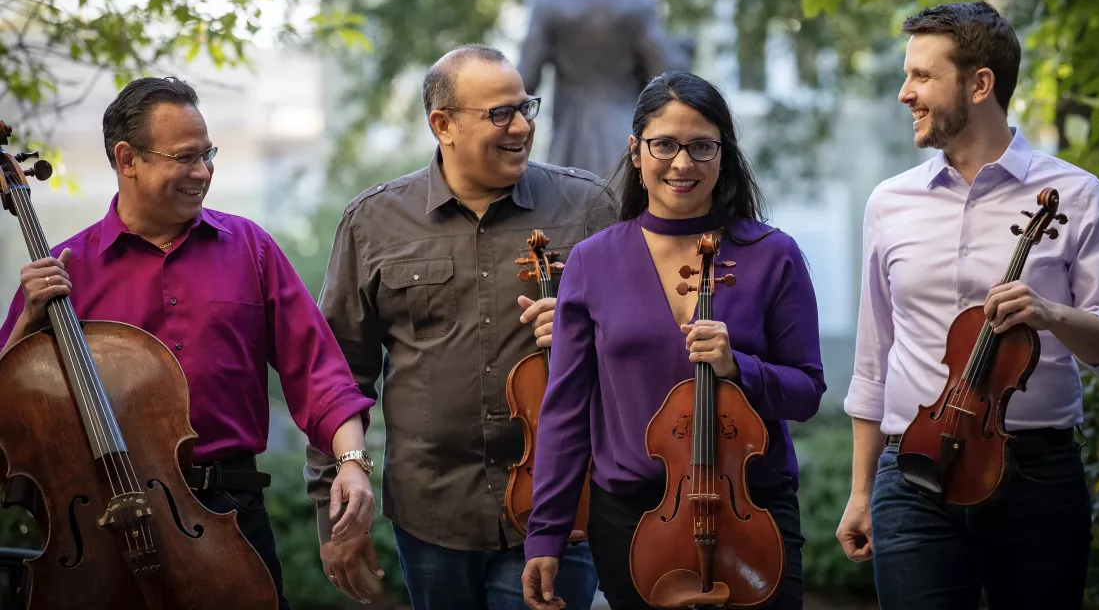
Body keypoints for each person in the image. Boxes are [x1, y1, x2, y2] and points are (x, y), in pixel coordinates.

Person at [0, 77, 376, 610]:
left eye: (208, 155)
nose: (202, 173)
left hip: (231, 512)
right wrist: (26, 329)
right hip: (101, 526)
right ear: (127, 158)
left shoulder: (251, 246)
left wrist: (353, 463)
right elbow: (7, 416)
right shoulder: (63, 271)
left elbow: (320, 374)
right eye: (184, 157)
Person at [837, 2, 1099, 609]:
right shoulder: (889, 203)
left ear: (980, 85)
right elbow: (874, 361)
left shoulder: (1075, 195)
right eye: (907, 75)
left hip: (1036, 478)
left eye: (923, 76)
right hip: (913, 473)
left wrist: (1051, 314)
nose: (905, 93)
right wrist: (862, 491)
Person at [307, 44, 614, 608]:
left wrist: (596, 334)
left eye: (526, 108)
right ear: (442, 125)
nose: (521, 126)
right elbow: (336, 375)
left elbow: (648, 344)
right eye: (500, 113)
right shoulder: (373, 222)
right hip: (431, 512)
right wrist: (335, 510)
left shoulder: (589, 207)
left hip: (562, 505)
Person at [521, 71, 827, 610]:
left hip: (750, 509)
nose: (682, 163)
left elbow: (805, 393)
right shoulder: (593, 261)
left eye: (702, 146)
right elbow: (565, 409)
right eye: (664, 144)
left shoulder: (773, 255)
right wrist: (546, 532)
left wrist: (740, 368)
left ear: (724, 156)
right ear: (636, 152)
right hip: (633, 516)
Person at [518, 0, 686, 180]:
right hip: (626, 131)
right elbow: (665, 75)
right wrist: (681, 53)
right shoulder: (638, 3)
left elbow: (525, 81)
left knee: (569, 207)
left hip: (571, 134)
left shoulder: (548, 2)